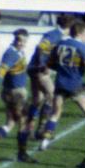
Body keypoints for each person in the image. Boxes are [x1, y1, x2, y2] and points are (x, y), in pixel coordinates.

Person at [0, 29, 32, 164]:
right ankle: (22, 153)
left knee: (10, 123)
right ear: (14, 39)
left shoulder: (17, 52)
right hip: (17, 93)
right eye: (18, 40)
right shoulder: (11, 54)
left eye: (23, 41)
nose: (21, 43)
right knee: (24, 123)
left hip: (9, 93)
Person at [39, 21, 85, 151]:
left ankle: (44, 141)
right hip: (76, 84)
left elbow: (49, 63)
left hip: (60, 83)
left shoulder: (60, 44)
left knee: (55, 113)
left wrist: (62, 69)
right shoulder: (82, 47)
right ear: (80, 33)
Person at [26, 14, 72, 143]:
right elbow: (41, 48)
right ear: (68, 27)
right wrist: (43, 64)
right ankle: (41, 130)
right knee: (51, 96)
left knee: (37, 99)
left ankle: (28, 130)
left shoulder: (57, 35)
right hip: (38, 70)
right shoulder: (53, 35)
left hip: (33, 68)